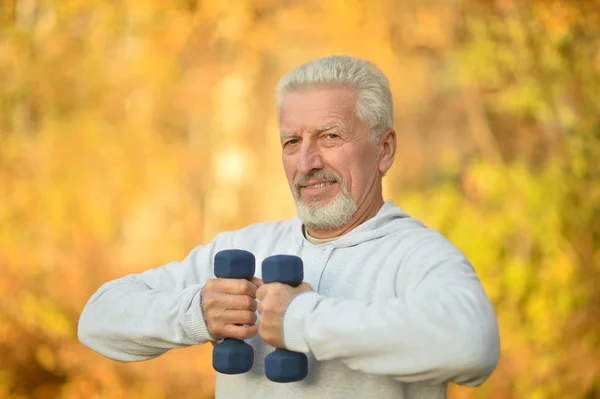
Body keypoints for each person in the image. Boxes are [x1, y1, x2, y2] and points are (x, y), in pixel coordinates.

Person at [78, 55, 500, 398]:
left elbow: (473, 346)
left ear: (384, 149)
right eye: (291, 142)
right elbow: (98, 319)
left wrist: (302, 319)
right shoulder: (243, 249)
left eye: (330, 136)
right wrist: (196, 313)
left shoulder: (417, 255)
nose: (307, 162)